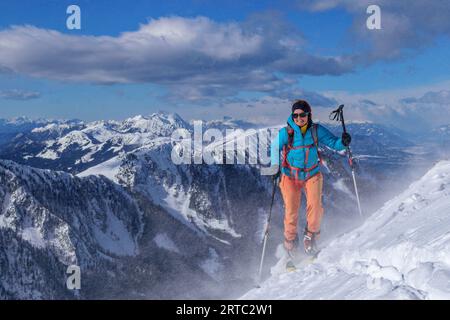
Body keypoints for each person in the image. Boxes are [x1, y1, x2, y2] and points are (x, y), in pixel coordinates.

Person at [270, 100, 351, 257]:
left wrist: (344, 142)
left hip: (312, 174)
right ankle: (290, 244)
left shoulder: (316, 130)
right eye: (296, 115)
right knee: (291, 212)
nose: (299, 118)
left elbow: (334, 143)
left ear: (309, 115)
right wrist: (275, 167)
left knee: (315, 208)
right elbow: (275, 147)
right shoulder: (286, 132)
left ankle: (310, 237)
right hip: (290, 176)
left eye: (302, 115)